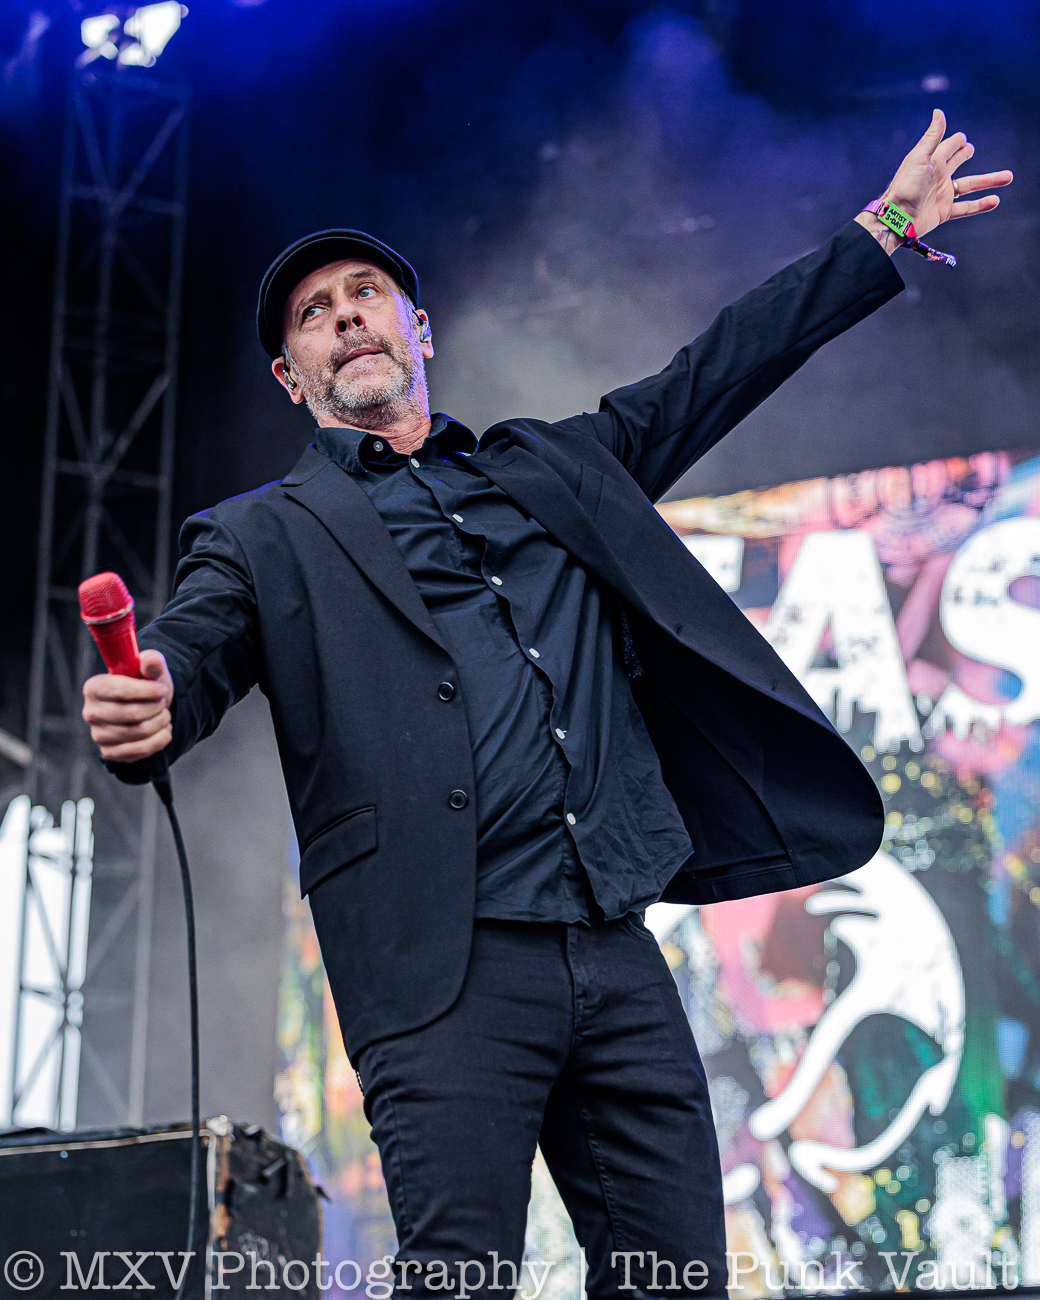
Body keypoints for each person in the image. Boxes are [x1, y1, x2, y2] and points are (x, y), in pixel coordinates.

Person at [82, 111, 1010, 1299]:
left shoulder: (554, 466)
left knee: (675, 1276)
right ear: (290, 375)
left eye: (365, 295)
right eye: (313, 313)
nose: (345, 316)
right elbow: (190, 652)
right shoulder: (261, 533)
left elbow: (720, 364)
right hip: (443, 970)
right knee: (461, 1277)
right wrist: (153, 694)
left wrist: (880, 229)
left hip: (612, 943)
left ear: (418, 330)